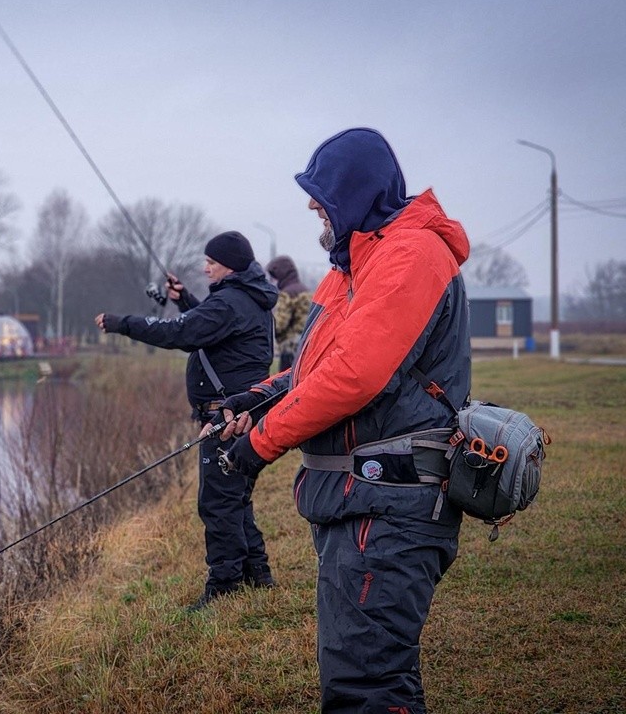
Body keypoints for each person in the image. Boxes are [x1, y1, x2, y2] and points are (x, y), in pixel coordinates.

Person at [212, 128, 471, 712]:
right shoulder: (354, 263)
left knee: (366, 688)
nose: (310, 204)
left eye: (320, 191)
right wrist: (254, 399)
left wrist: (259, 445)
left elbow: (354, 375)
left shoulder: (410, 254)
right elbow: (314, 367)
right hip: (357, 504)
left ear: (354, 192)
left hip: (389, 509)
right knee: (367, 677)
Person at [95, 230, 279, 610]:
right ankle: (256, 574)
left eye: (210, 262)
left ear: (228, 265)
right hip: (241, 415)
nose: (204, 266)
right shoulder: (247, 299)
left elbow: (181, 333)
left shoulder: (229, 302)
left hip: (227, 418)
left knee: (218, 502)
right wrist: (186, 300)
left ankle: (225, 585)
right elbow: (207, 327)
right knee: (236, 497)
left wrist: (121, 322)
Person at [266, 255, 312, 371]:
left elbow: (279, 325)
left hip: (289, 348)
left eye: (274, 277)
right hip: (306, 345)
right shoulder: (305, 290)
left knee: (286, 385)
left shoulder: (287, 293)